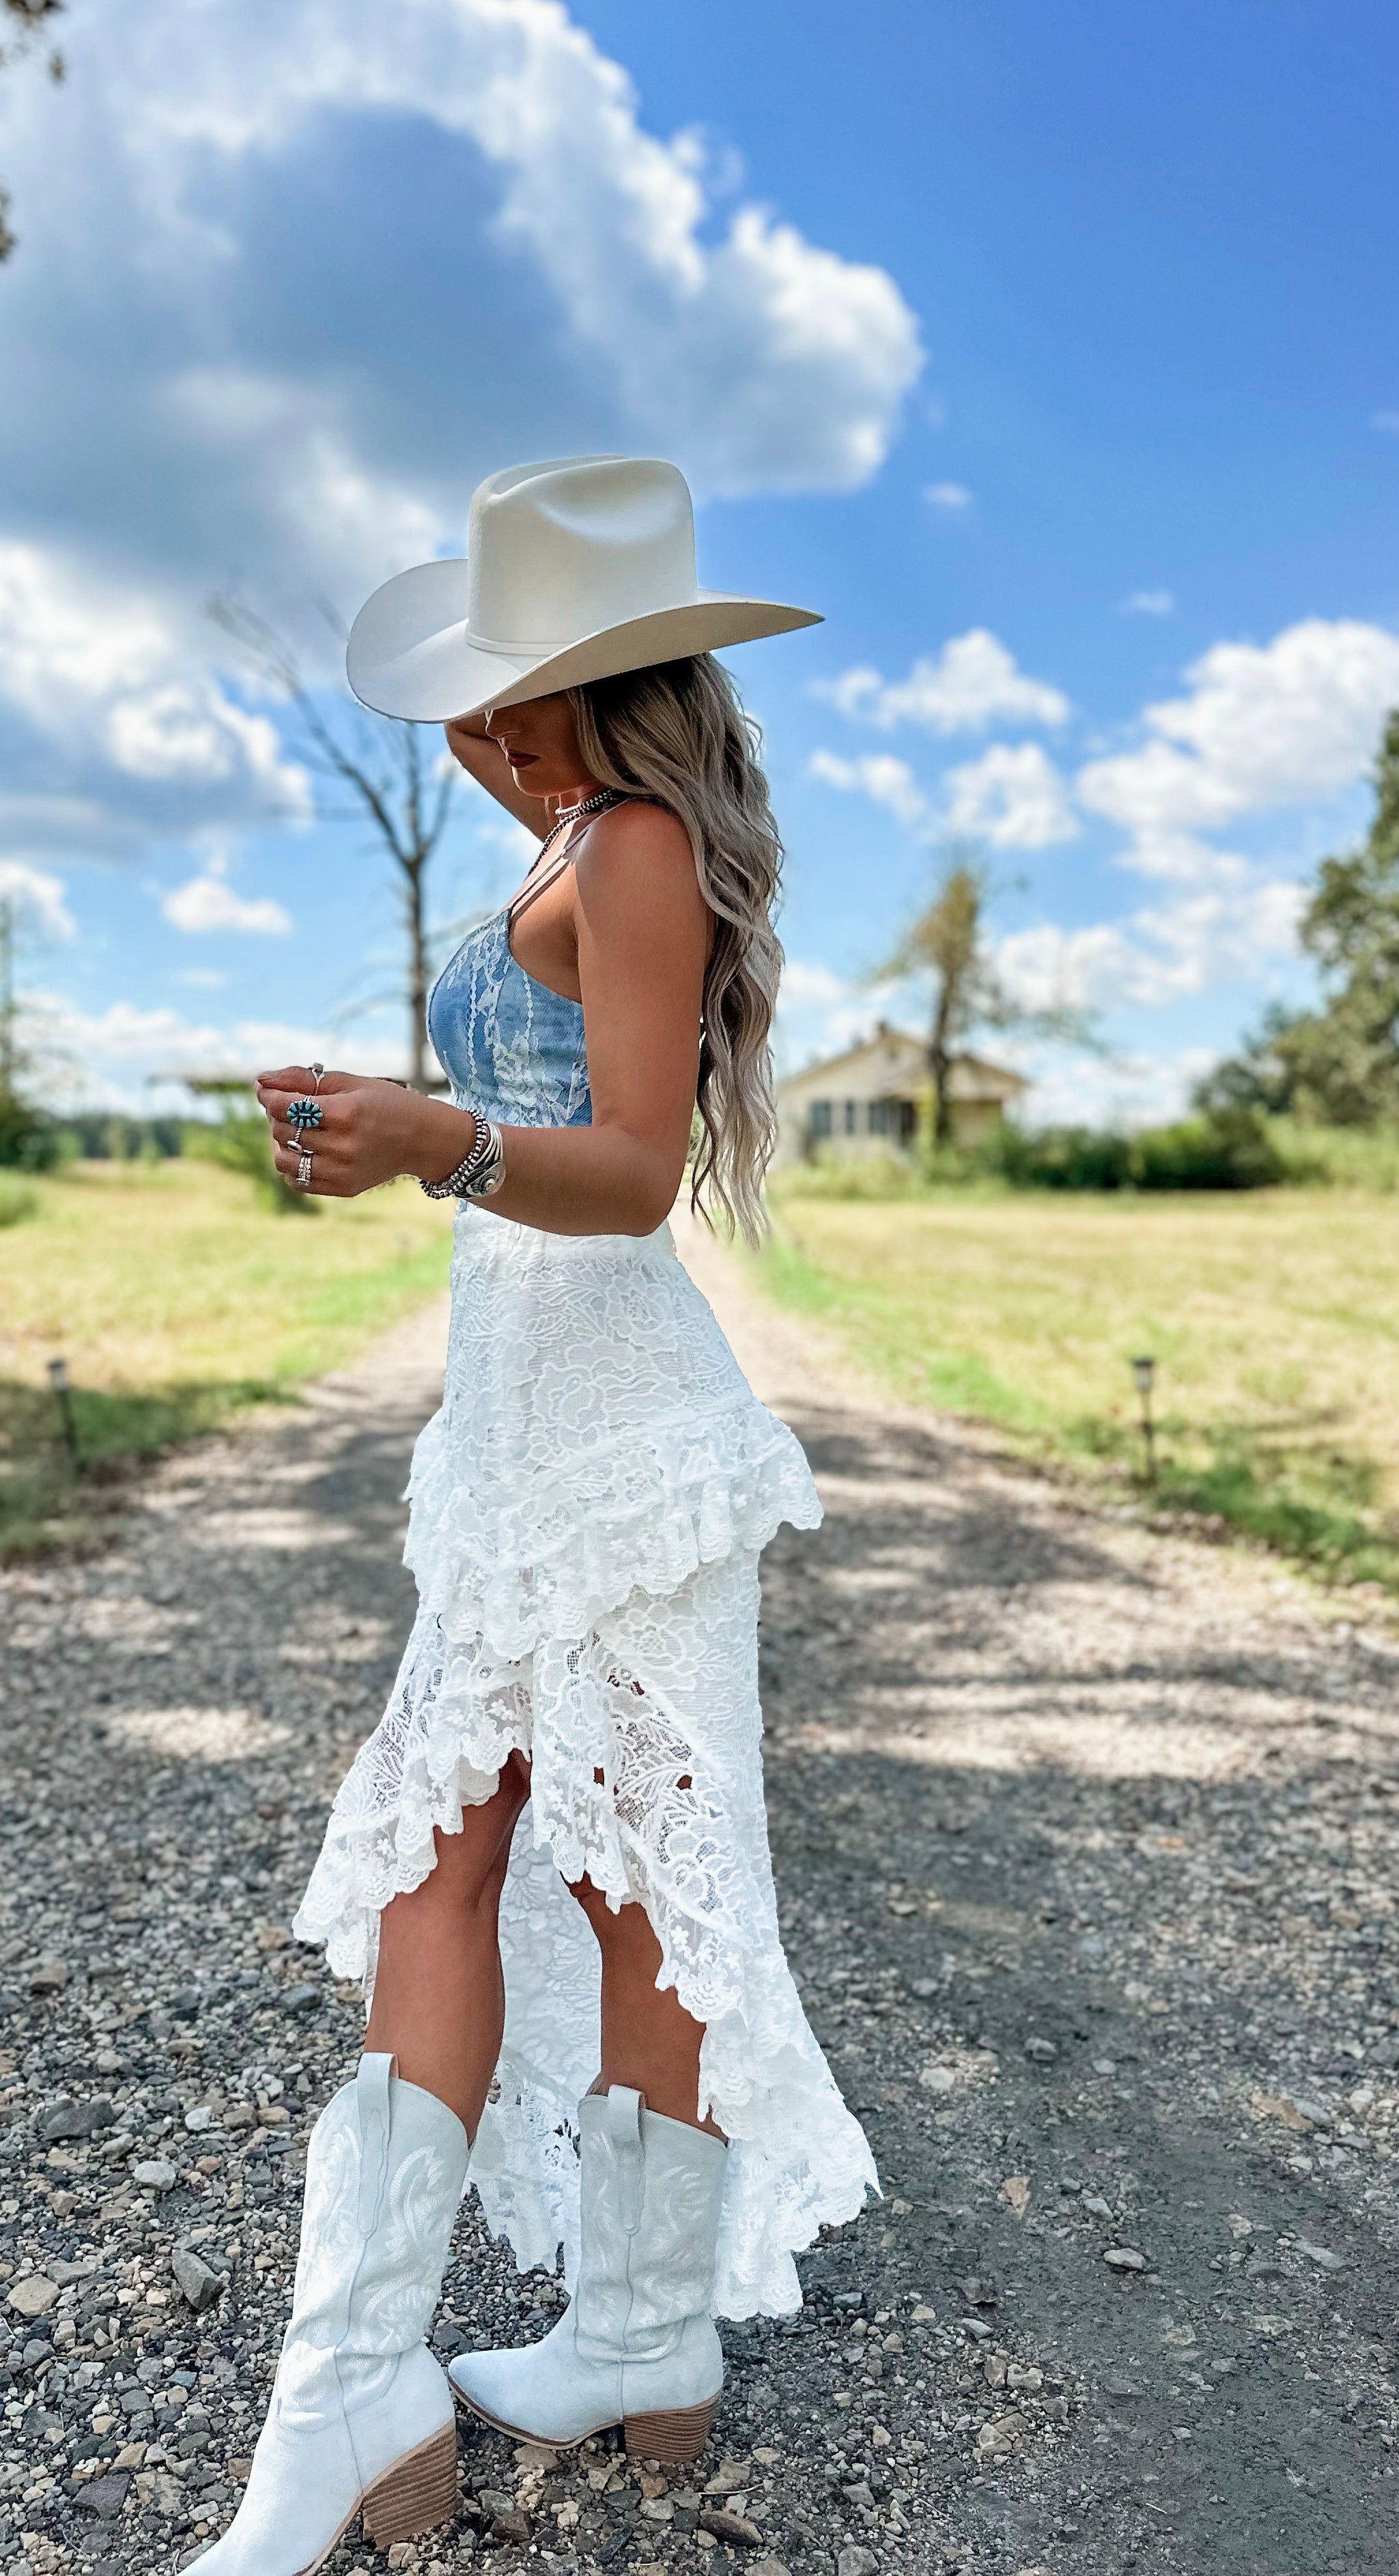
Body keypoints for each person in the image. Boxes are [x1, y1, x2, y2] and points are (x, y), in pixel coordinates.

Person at [193, 456, 879, 2576]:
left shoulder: (643, 842)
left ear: (618, 693)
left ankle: (459, 2362)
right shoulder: (585, 842)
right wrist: (407, 1132)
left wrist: (426, 1138)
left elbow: (633, 1167)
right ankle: (590, 2345)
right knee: (492, 1836)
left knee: (583, 1852)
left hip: (613, 1427)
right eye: (474, 714)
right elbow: (541, 1133)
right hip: (520, 1423)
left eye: (521, 707)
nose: (483, 747)